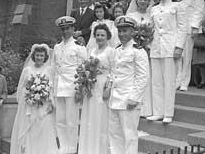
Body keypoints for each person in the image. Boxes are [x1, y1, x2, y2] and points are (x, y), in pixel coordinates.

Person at [147, 0, 187, 123]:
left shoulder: (177, 5)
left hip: (171, 46)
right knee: (156, 81)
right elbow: (151, 28)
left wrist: (179, 47)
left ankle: (168, 113)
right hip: (156, 46)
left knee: (169, 81)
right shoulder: (154, 8)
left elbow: (183, 27)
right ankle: (158, 111)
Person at [109, 16, 149, 154]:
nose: (121, 34)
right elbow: (113, 72)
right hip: (114, 98)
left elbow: (142, 77)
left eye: (125, 31)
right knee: (114, 133)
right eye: (119, 31)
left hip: (128, 99)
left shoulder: (138, 51)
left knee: (129, 134)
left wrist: (135, 97)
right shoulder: (117, 50)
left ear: (132, 32)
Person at [11, 44, 58, 154]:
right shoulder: (27, 70)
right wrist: (29, 95)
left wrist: (50, 101)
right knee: (31, 129)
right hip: (30, 105)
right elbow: (21, 87)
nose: (39, 58)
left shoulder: (49, 70)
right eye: (37, 55)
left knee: (43, 128)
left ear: (45, 57)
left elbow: (52, 87)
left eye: (41, 55)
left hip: (44, 105)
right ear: (33, 56)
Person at [79, 24, 115, 154]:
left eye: (102, 35)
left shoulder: (111, 51)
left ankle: (100, 149)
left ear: (107, 37)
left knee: (101, 116)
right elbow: (85, 68)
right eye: (98, 35)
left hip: (103, 85)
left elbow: (113, 70)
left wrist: (108, 87)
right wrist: (84, 83)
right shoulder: (91, 51)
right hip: (91, 86)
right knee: (89, 116)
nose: (99, 37)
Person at [53, 16, 87, 154]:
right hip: (59, 87)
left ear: (73, 29)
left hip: (72, 87)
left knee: (71, 120)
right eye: (63, 29)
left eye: (68, 28)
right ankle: (63, 146)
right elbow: (54, 67)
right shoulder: (57, 47)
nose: (65, 31)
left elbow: (85, 68)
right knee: (60, 119)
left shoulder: (79, 47)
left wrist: (80, 88)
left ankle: (72, 148)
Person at [172, 0, 205, 91]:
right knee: (177, 55)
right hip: (176, 27)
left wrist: (195, 26)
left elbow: (199, 9)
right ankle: (177, 79)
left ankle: (185, 82)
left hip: (188, 27)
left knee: (187, 55)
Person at [126, 0, 153, 117]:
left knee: (146, 76)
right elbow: (127, 33)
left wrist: (148, 44)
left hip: (148, 49)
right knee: (135, 76)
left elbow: (155, 32)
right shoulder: (131, 16)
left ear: (149, 1)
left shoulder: (151, 15)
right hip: (135, 49)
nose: (143, 1)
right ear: (136, 1)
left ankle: (146, 109)